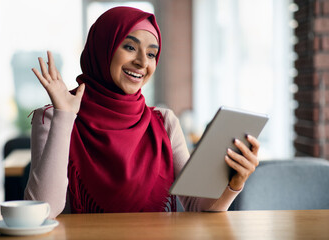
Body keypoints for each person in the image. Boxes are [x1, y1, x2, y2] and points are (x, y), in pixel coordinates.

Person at [24, 6, 260, 218]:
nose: (142, 62)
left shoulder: (164, 122)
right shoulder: (53, 118)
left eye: (151, 54)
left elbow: (195, 203)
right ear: (102, 48)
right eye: (129, 47)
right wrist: (65, 116)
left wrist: (234, 183)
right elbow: (42, 211)